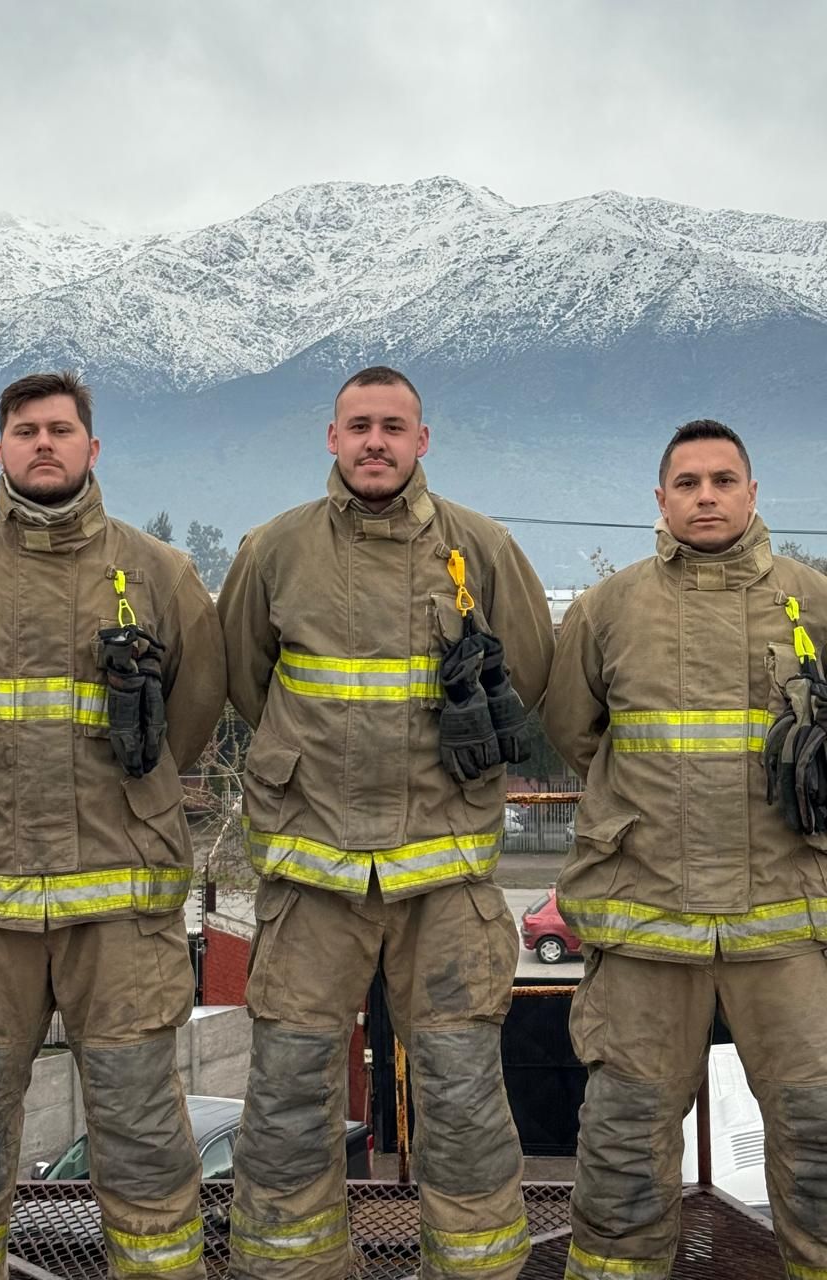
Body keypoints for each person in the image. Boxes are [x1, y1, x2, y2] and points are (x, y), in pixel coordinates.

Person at [0, 371, 226, 1280]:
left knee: (143, 1138)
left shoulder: (158, 574)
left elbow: (190, 716)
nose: (44, 443)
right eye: (27, 430)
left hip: (119, 914)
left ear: (91, 448)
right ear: (0, 447)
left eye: (61, 430)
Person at [216, 365, 554, 1280]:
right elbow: (245, 680)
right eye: (359, 425)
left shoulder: (480, 549)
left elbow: (528, 670)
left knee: (464, 1097)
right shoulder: (274, 550)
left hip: (444, 884)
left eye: (393, 426)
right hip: (312, 877)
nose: (376, 441)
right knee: (288, 1098)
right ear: (332, 438)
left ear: (421, 440)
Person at [543, 419, 827, 1280]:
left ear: (753, 493)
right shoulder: (608, 609)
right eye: (688, 483)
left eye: (723, 481)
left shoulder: (814, 604)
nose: (707, 497)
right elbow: (575, 732)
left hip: (786, 924)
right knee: (624, 1145)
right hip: (647, 921)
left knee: (819, 1134)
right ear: (661, 500)